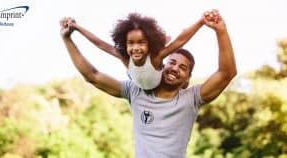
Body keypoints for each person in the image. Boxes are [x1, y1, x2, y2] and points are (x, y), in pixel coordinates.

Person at [60, 9, 237, 158]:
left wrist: (220, 30)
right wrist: (67, 39)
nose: (175, 68)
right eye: (172, 62)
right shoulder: (135, 91)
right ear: (162, 65)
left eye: (182, 68)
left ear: (187, 80)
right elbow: (93, 76)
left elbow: (226, 73)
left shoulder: (192, 99)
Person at [60, 12, 205, 90]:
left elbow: (180, 41)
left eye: (141, 43)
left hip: (156, 77)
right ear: (125, 43)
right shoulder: (125, 58)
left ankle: (163, 41)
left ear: (149, 44)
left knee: (166, 47)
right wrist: (77, 27)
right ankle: (163, 40)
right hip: (137, 82)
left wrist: (201, 22)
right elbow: (100, 44)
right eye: (131, 43)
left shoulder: (155, 59)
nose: (135, 48)